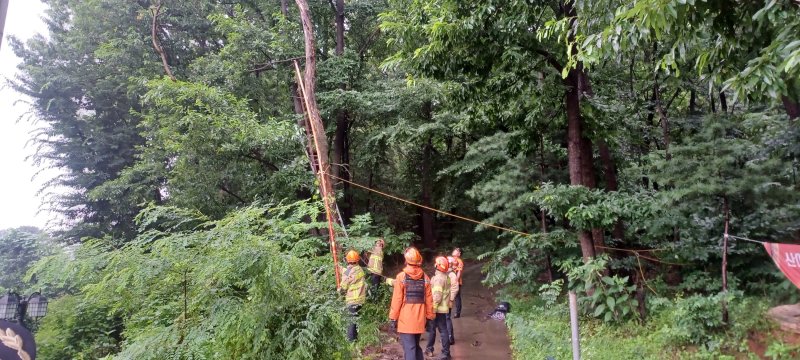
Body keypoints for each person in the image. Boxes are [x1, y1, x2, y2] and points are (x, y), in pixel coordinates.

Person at [389, 247, 434, 360]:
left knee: (410, 348)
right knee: (415, 346)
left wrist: (393, 318)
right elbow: (429, 300)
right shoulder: (426, 278)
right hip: (419, 319)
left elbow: (397, 299)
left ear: (406, 260)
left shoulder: (401, 277)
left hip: (406, 320)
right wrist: (429, 317)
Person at [425, 256, 453, 360]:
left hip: (437, 309)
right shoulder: (446, 277)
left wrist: (433, 309)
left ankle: (431, 349)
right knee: (443, 330)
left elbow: (436, 296)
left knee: (433, 330)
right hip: (443, 309)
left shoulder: (438, 279)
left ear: (437, 265)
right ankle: (446, 352)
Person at [339, 250, 366, 342]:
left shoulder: (349, 271)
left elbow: (345, 284)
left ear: (347, 260)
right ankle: (355, 339)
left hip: (352, 300)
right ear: (357, 260)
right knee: (355, 320)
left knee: (351, 321)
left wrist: (340, 291)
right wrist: (341, 269)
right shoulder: (360, 269)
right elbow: (350, 273)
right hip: (360, 300)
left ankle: (351, 341)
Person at [445, 256, 460, 345]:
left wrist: (450, 299)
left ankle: (450, 338)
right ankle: (447, 337)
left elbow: (455, 288)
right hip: (444, 301)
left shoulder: (451, 274)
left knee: (446, 319)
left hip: (448, 301)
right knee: (444, 319)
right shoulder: (446, 273)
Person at [451, 248, 464, 318]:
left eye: (457, 250)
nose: (454, 250)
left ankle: (457, 313)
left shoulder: (459, 261)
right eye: (455, 250)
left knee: (457, 297)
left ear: (459, 254)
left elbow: (459, 272)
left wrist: (456, 281)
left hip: (456, 281)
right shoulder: (451, 259)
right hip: (450, 281)